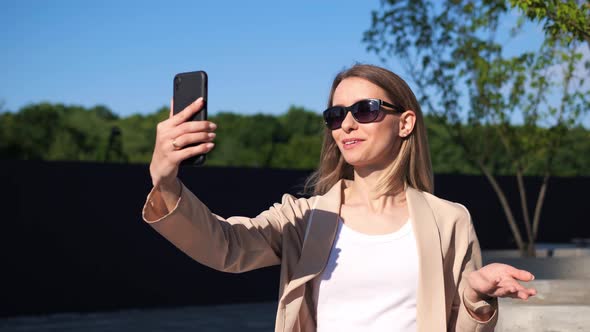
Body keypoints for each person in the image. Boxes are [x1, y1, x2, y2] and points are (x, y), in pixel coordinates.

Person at [143, 64, 537, 332]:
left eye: (365, 110)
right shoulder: (304, 218)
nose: (346, 123)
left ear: (405, 122)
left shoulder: (449, 220)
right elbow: (225, 246)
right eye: (335, 114)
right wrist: (167, 184)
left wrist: (474, 297)